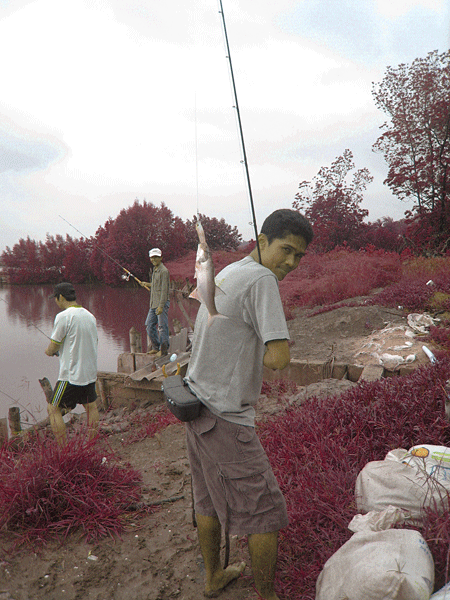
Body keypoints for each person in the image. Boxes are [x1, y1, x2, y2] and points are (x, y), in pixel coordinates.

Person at [184, 209, 313, 599]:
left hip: (195, 407)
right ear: (262, 240)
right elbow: (278, 359)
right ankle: (267, 596)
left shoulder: (231, 270)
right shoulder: (262, 280)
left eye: (298, 256)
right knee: (265, 513)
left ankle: (213, 579)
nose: (289, 262)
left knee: (206, 500)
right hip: (226, 419)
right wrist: (263, 341)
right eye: (285, 250)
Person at [45, 282, 99, 446]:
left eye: (56, 298)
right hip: (89, 373)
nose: (56, 301)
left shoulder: (63, 316)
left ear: (60, 297)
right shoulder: (90, 316)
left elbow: (54, 345)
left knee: (53, 409)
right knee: (91, 407)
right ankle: (91, 444)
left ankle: (63, 449)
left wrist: (49, 351)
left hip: (70, 375)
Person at [143, 248, 170, 357]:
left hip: (161, 304)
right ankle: (156, 347)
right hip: (153, 304)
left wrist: (161, 306)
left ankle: (163, 350)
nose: (154, 259)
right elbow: (155, 285)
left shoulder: (164, 271)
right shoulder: (155, 269)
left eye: (156, 257)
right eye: (152, 257)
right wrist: (146, 284)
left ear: (161, 258)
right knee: (149, 325)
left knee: (162, 327)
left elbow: (164, 290)